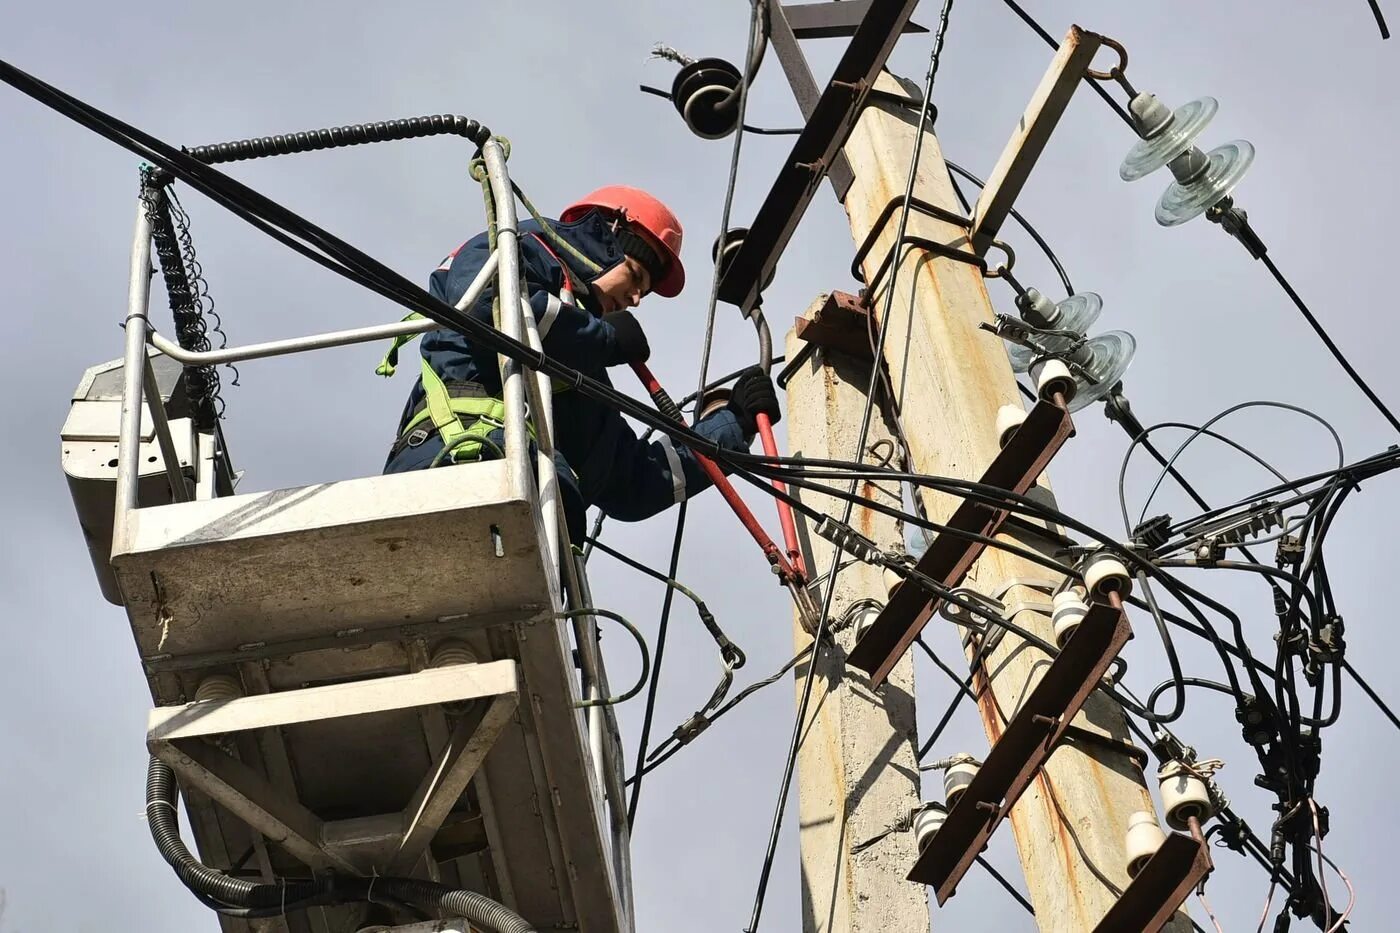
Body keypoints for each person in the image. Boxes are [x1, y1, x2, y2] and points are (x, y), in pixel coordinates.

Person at [382, 185, 782, 546]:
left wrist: (732, 426)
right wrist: (603, 339)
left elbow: (633, 481)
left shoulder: (577, 375)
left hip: (527, 513)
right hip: (450, 465)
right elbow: (490, 306)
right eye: (636, 276)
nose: (636, 299)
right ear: (606, 239)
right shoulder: (519, 245)